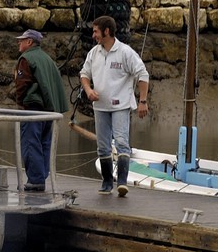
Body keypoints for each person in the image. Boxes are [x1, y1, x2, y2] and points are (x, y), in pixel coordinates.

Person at [79, 14, 150, 196]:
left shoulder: (125, 52)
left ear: (107, 31)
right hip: (100, 106)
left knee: (121, 142)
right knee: (102, 146)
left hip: (121, 105)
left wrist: (142, 101)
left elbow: (143, 75)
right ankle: (107, 182)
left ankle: (123, 182)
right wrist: (88, 90)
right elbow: (84, 74)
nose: (93, 35)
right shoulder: (94, 53)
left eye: (96, 31)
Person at [11, 29, 68, 192]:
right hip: (49, 109)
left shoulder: (26, 58)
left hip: (33, 108)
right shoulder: (47, 58)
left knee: (30, 142)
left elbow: (22, 84)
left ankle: (35, 180)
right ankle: (41, 177)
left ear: (29, 42)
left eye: (21, 40)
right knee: (44, 143)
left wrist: (20, 104)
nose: (18, 43)